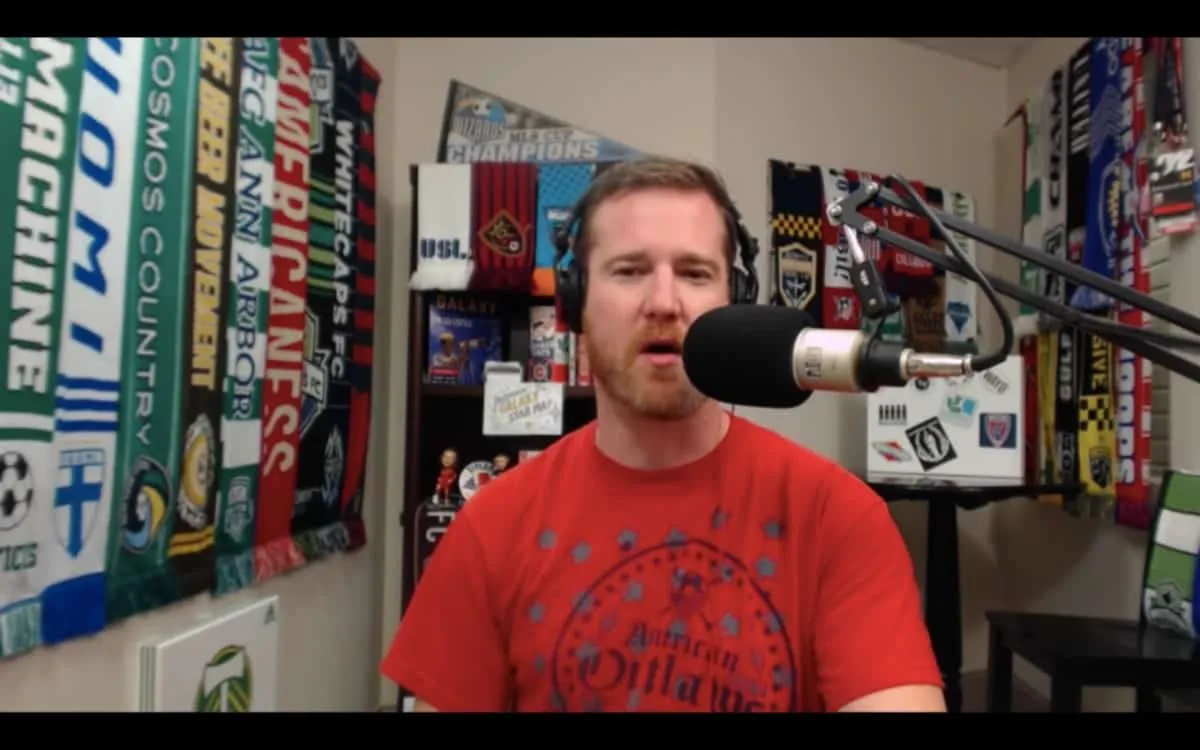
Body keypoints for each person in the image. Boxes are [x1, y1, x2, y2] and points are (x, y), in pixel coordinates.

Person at [381, 156, 945, 713]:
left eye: (695, 273)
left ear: (734, 302)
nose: (663, 304)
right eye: (629, 271)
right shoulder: (491, 528)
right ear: (573, 304)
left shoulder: (836, 517)